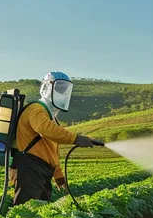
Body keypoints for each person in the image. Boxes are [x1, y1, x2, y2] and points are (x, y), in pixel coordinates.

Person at [11, 71, 96, 206]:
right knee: (26, 210)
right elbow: (46, 131)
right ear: (46, 88)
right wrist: (75, 138)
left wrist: (58, 175)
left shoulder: (51, 118)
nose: (62, 93)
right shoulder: (36, 109)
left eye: (65, 89)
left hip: (42, 170)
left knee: (39, 210)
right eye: (59, 88)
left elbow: (51, 150)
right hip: (30, 167)